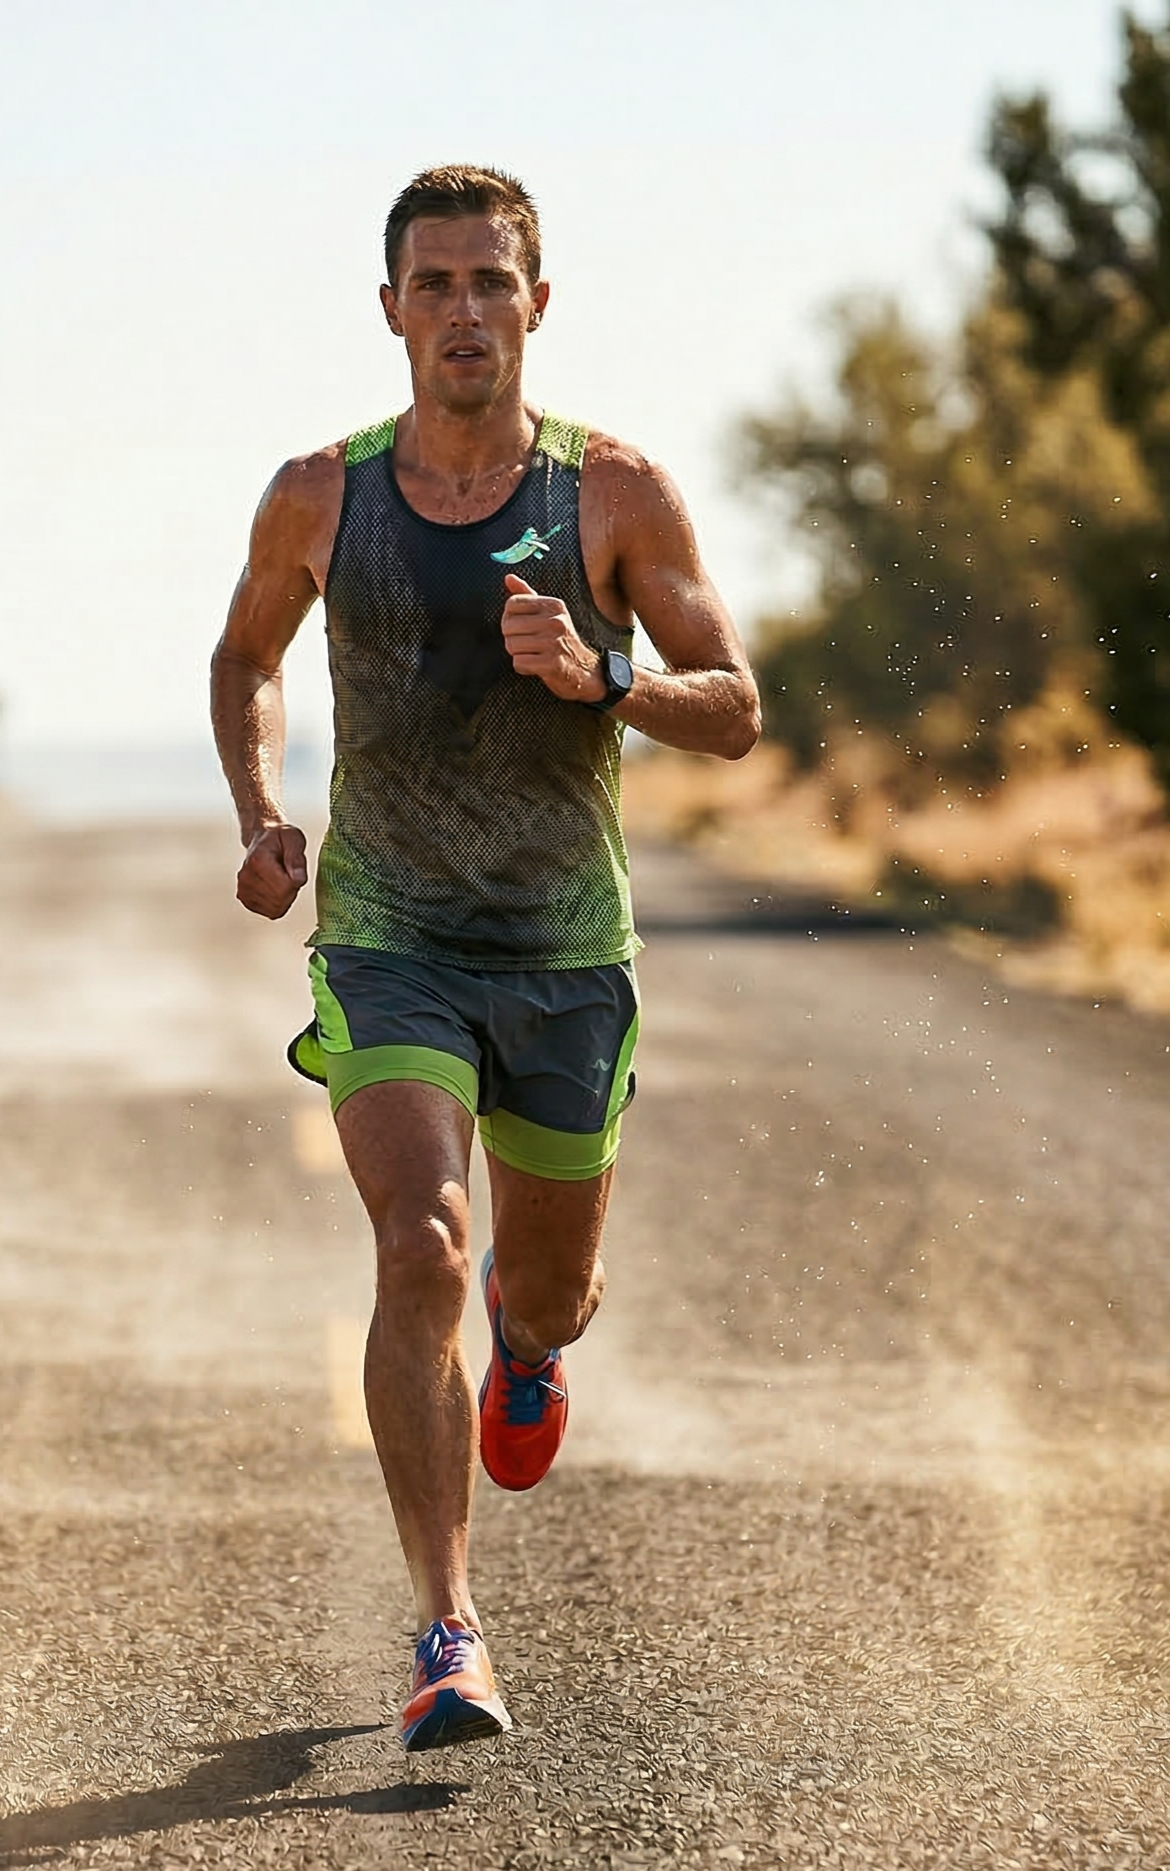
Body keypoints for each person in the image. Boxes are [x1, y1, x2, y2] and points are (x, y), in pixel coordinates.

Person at [209, 164, 760, 1750]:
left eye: (489, 281)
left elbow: (732, 704)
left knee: (542, 1284)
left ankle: (528, 1348)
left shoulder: (614, 494)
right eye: (431, 283)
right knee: (419, 1248)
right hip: (390, 935)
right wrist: (259, 807)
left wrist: (606, 681)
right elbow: (246, 652)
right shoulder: (321, 492)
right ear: (389, 310)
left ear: (535, 302)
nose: (463, 310)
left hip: (565, 949)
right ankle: (449, 1627)